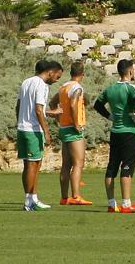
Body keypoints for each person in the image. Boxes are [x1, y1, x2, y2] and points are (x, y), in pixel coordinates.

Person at [94, 59, 135, 214]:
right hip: (129, 132)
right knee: (127, 166)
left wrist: (110, 116)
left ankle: (111, 204)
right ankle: (126, 204)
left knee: (112, 167)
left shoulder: (110, 88)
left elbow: (97, 105)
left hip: (115, 132)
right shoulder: (130, 88)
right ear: (130, 71)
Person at [17, 59, 62, 211]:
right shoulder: (41, 85)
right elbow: (38, 109)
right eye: (57, 76)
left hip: (23, 128)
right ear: (51, 72)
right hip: (33, 130)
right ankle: (29, 201)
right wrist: (47, 132)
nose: (57, 80)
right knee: (33, 164)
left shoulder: (25, 82)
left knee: (31, 164)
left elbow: (19, 106)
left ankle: (32, 198)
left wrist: (21, 122)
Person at [49, 61, 91, 206]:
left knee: (66, 165)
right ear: (82, 74)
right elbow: (73, 104)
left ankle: (64, 197)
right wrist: (76, 123)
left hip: (63, 128)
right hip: (73, 128)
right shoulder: (77, 87)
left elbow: (52, 103)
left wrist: (58, 117)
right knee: (78, 164)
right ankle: (76, 196)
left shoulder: (63, 87)